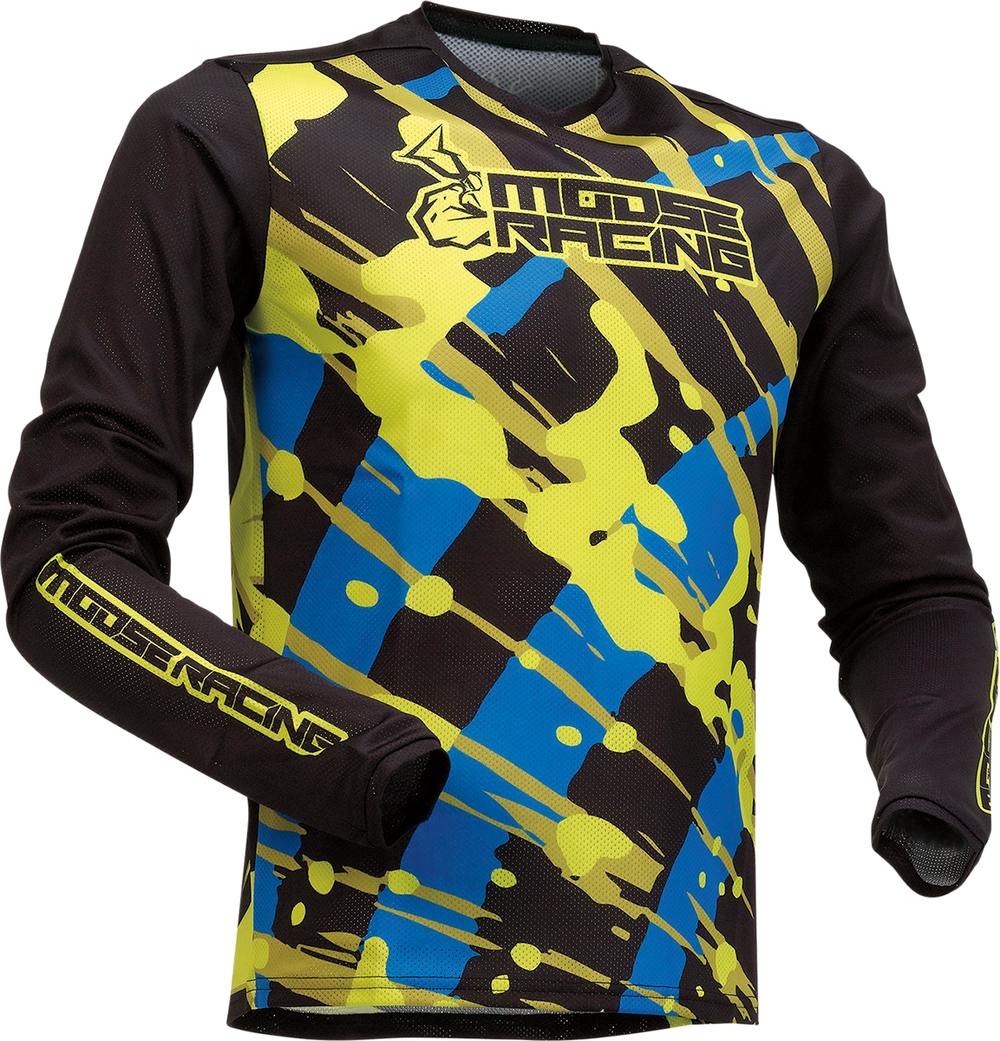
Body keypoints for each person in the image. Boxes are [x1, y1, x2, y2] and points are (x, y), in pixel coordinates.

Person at [3, 3, 996, 1036]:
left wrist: (932, 782)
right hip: (361, 953)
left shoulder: (796, 189)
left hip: (682, 972)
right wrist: (337, 755)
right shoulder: (249, 124)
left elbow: (909, 587)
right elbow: (65, 557)